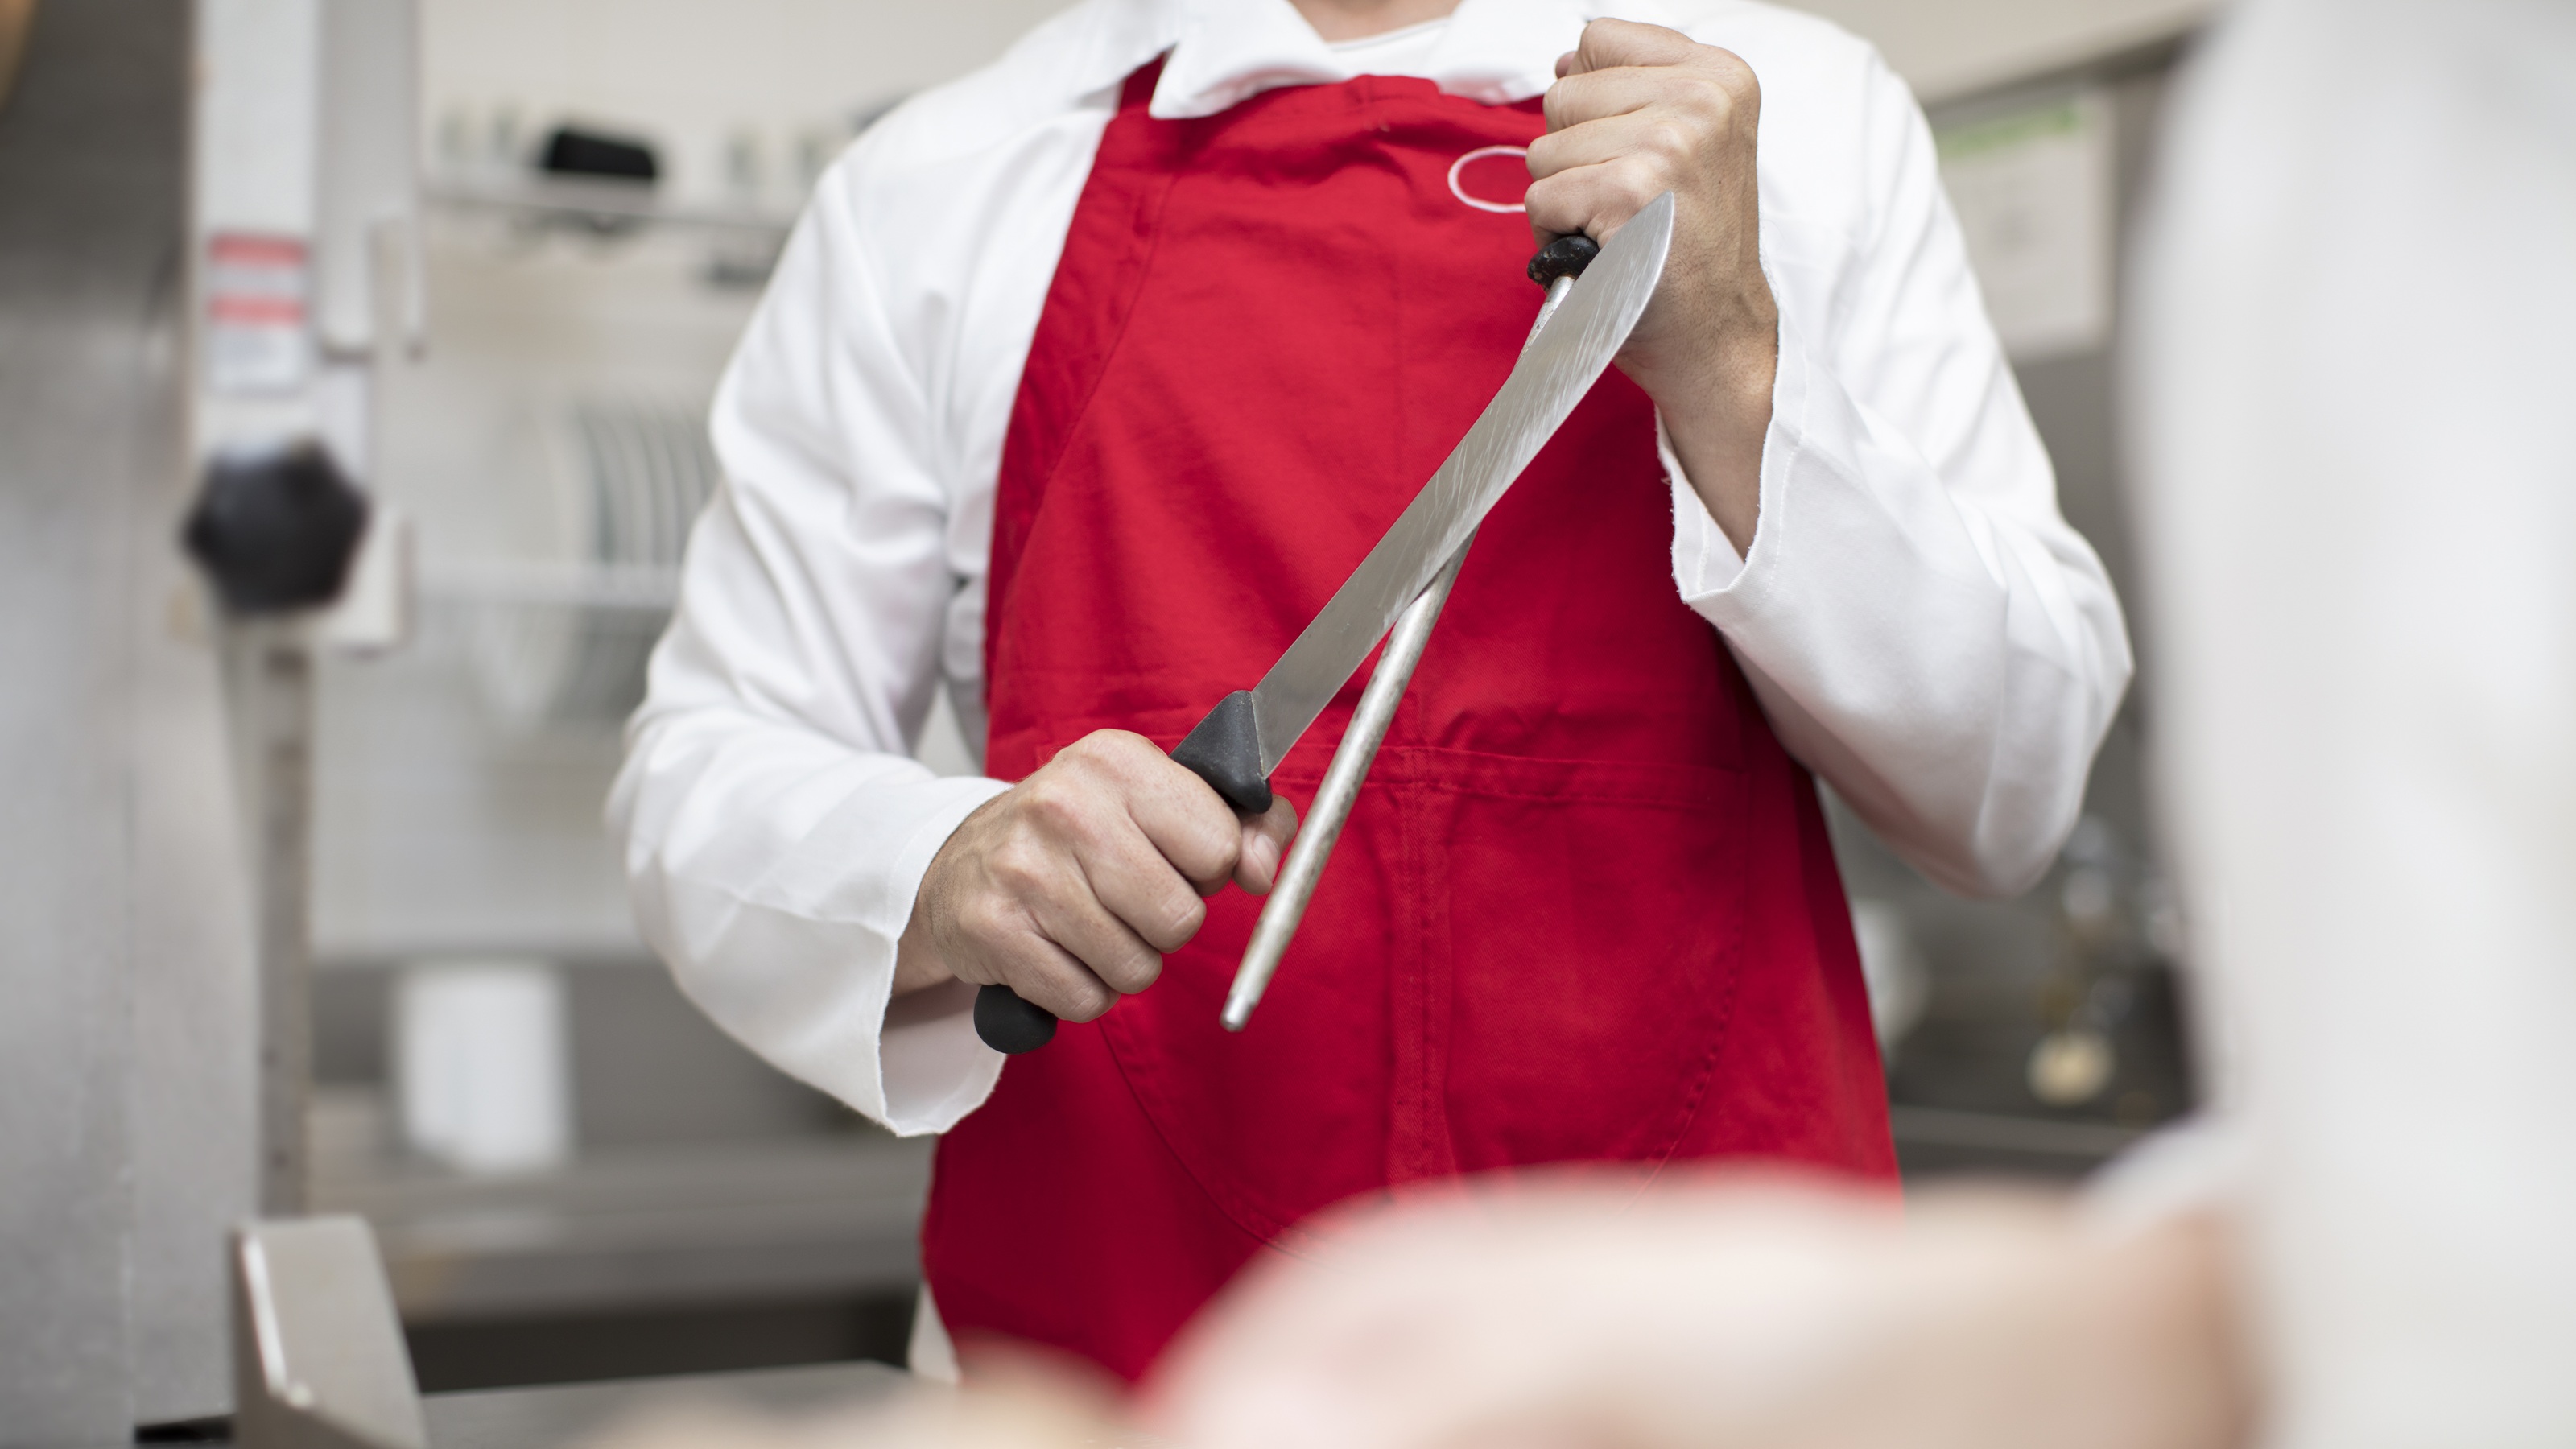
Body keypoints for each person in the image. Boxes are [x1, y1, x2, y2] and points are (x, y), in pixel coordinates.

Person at [610, 0, 2128, 1381]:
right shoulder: (946, 184)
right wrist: (939, 868)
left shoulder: (1800, 118)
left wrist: (1733, 358)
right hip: (1112, 1373)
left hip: (1713, 1385)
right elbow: (704, 766)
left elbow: (2010, 791)